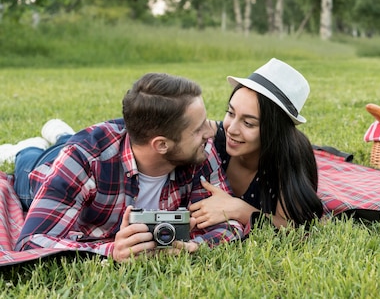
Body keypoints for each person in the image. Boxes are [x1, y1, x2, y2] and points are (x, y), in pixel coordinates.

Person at [7, 72, 246, 262]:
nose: (210, 132)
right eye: (197, 129)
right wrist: (111, 250)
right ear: (161, 144)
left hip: (100, 145)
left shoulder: (200, 148)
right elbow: (32, 241)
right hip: (43, 174)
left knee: (64, 142)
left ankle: (61, 134)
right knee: (28, 166)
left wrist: (195, 246)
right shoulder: (84, 158)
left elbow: (228, 224)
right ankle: (26, 147)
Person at [189, 58, 324, 229]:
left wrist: (239, 209)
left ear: (274, 130)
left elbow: (294, 228)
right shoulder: (215, 135)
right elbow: (176, 129)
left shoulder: (288, 156)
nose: (232, 129)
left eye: (248, 123)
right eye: (230, 113)